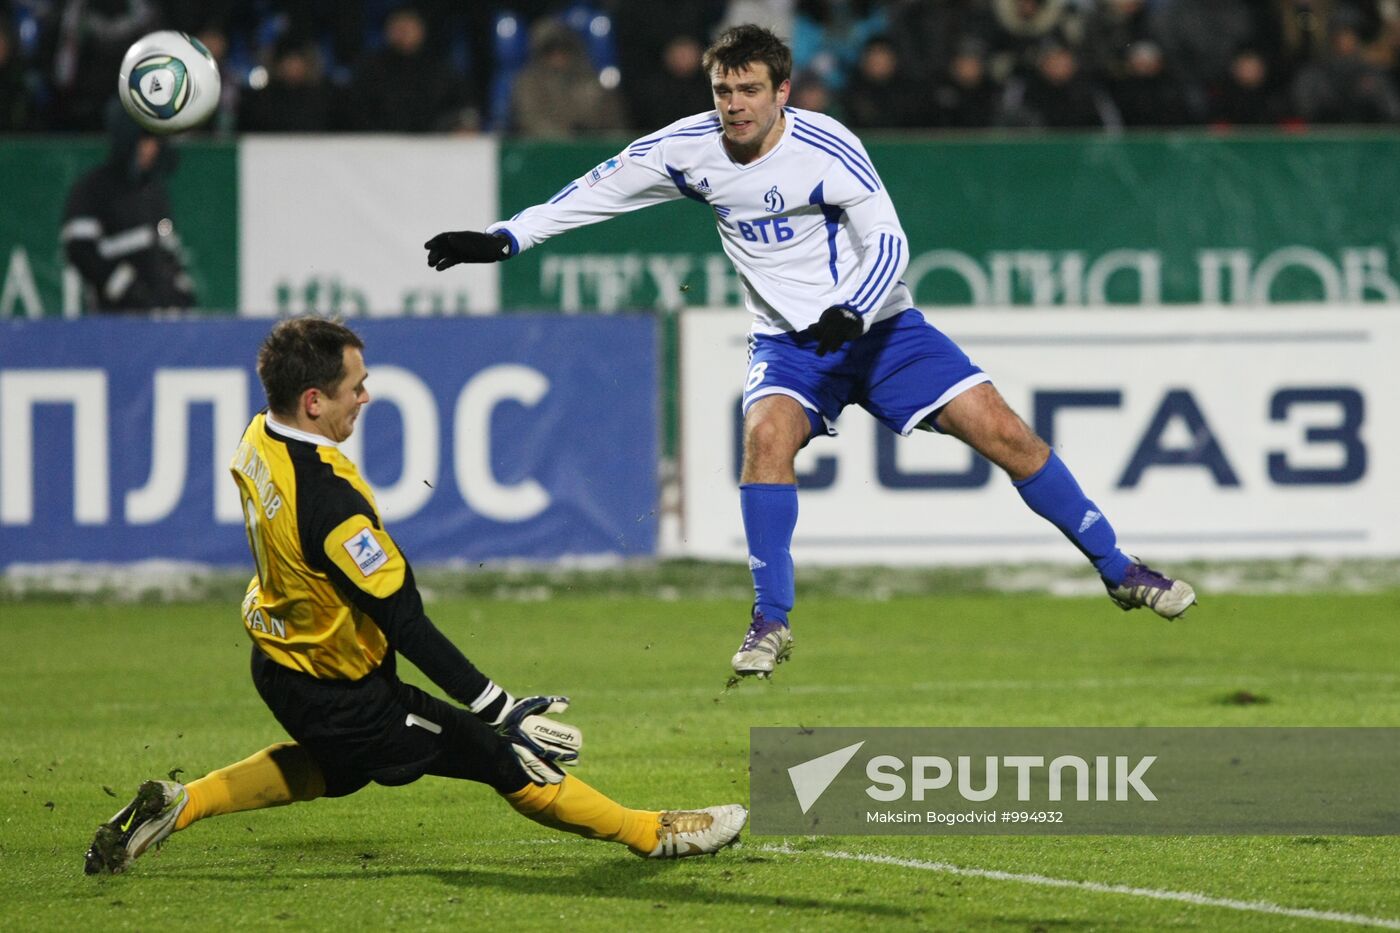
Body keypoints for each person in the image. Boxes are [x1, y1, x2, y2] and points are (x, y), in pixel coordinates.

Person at [423, 24, 1198, 682]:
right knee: (765, 436)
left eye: (749, 90)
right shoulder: (688, 148)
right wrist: (506, 237)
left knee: (1005, 432)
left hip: (881, 328)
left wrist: (853, 310)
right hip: (789, 344)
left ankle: (1119, 568)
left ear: (782, 91)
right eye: (723, 90)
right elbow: (596, 190)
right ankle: (771, 619)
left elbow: (889, 242)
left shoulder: (827, 147)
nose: (734, 105)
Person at [84, 317, 745, 874]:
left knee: (339, 771)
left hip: (278, 661)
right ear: (313, 401)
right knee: (499, 755)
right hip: (343, 692)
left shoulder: (261, 436)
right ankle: (652, 833)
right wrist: (500, 707)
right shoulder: (331, 503)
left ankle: (182, 802)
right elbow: (405, 622)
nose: (365, 396)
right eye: (355, 386)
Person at [62, 102, 196, 313]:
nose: (151, 149)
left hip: (159, 315)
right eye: (145, 141)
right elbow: (80, 250)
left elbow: (167, 245)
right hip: (114, 317)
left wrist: (179, 289)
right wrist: (126, 288)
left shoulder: (153, 191)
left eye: (155, 141)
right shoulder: (93, 188)